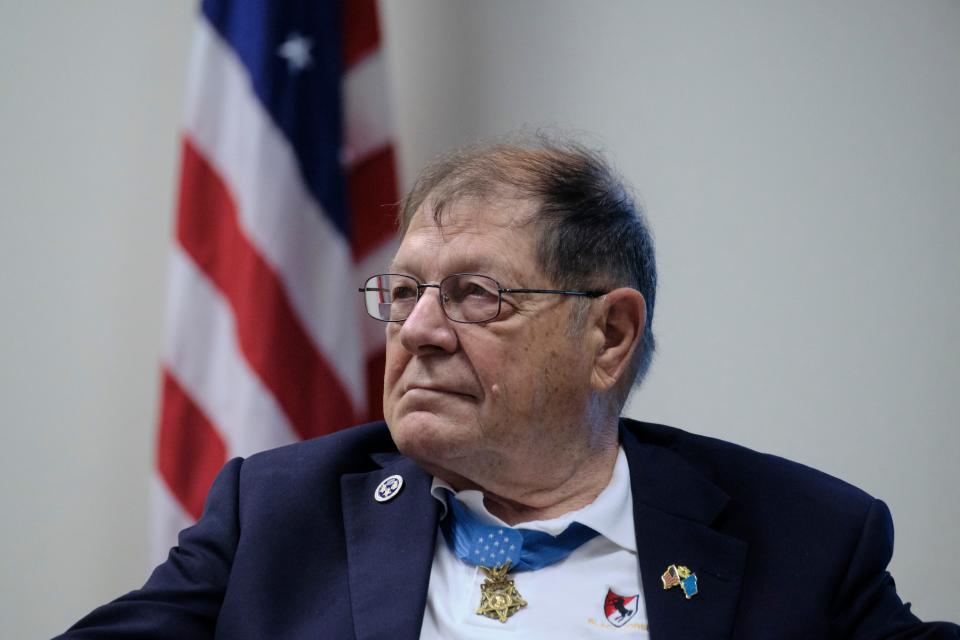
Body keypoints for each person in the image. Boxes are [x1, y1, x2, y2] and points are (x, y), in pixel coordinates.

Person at [59, 136, 957, 639]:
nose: (414, 332)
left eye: (476, 296)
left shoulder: (798, 539)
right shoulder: (276, 515)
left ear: (608, 336)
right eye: (404, 292)